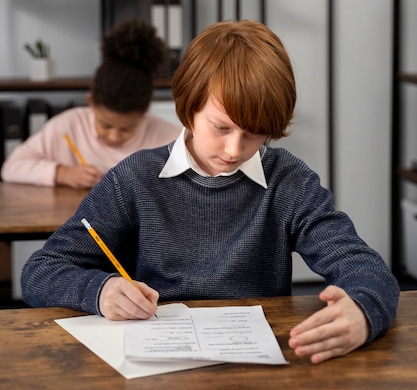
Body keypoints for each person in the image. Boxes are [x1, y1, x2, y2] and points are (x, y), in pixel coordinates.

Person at [21, 20, 399, 364]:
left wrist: (364, 312)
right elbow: (40, 272)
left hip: (254, 370)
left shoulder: (290, 182)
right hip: (156, 371)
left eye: (254, 134)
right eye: (221, 127)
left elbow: (365, 267)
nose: (234, 150)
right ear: (188, 108)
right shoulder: (134, 179)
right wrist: (99, 289)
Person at [1, 19, 181, 188]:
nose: (114, 136)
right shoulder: (68, 126)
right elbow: (11, 168)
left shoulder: (169, 138)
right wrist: (62, 173)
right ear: (91, 103)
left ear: (145, 112)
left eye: (127, 129)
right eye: (105, 124)